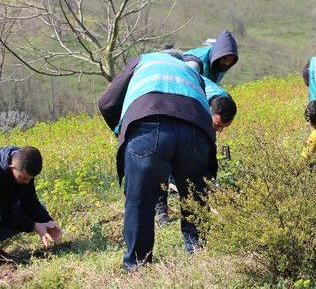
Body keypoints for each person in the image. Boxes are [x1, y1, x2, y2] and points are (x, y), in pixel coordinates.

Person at [98, 51, 237, 271]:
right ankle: (198, 257)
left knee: (140, 201)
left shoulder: (143, 60)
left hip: (147, 125)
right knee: (194, 197)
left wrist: (122, 131)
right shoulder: (193, 73)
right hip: (196, 131)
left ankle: (138, 267)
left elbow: (107, 103)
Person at [155, 31, 239, 224]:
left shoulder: (217, 86)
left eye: (230, 61)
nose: (226, 63)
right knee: (164, 158)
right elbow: (183, 85)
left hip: (196, 108)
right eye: (224, 59)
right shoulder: (194, 65)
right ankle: (161, 211)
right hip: (169, 108)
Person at [0, 146, 62, 252]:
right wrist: (33, 226)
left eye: (30, 178)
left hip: (5, 208)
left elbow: (30, 203)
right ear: (11, 168)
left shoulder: (24, 162)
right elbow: (2, 215)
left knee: (38, 210)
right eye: (24, 178)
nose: (27, 182)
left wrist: (48, 222)